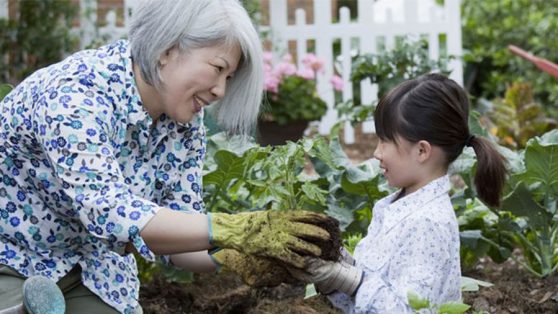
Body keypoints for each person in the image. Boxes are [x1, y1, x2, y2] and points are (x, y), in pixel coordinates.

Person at [0, 1, 334, 313]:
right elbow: (107, 210)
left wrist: (236, 256)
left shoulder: (183, 124)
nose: (221, 90)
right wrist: (234, 227)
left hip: (91, 268)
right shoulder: (76, 94)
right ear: (167, 50)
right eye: (218, 68)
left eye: (229, 78)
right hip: (12, 255)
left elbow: (181, 235)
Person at [288, 73, 508, 313]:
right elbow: (364, 299)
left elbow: (408, 309)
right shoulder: (395, 206)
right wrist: (335, 270)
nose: (376, 153)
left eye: (385, 141)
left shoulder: (427, 223)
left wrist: (351, 280)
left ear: (422, 151)